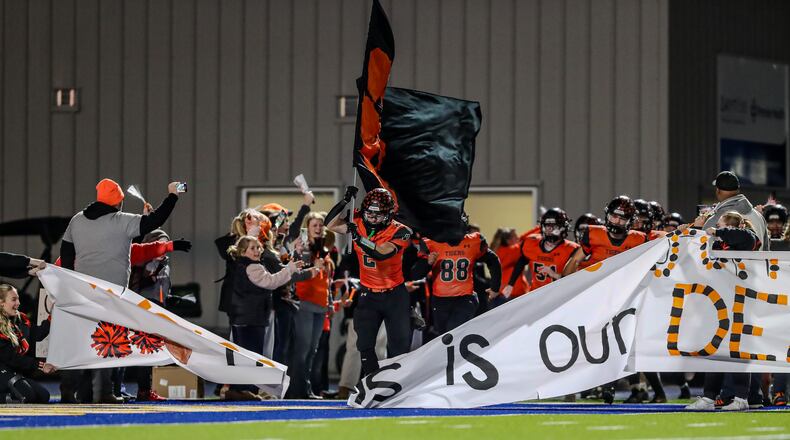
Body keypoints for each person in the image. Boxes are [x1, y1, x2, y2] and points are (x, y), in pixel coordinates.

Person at [59, 178, 181, 404]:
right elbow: (155, 221)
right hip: (110, 293)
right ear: (118, 203)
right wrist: (172, 195)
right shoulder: (121, 220)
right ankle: (103, 393)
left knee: (79, 342)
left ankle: (69, 392)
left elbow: (66, 253)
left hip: (81, 291)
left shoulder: (77, 220)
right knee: (106, 341)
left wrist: (69, 282)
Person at [326, 187, 413, 376]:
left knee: (399, 346)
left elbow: (381, 253)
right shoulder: (358, 221)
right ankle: (372, 381)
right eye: (369, 213)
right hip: (368, 294)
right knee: (364, 343)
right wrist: (345, 201)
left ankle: (397, 383)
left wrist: (359, 237)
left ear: (389, 214)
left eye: (378, 214)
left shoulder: (401, 231)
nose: (372, 218)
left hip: (394, 295)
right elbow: (330, 224)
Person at [686, 211, 760, 411]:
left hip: (742, 303)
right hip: (720, 303)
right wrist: (698, 229)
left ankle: (741, 397)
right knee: (716, 349)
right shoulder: (718, 243)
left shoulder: (747, 238)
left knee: (736, 350)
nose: (716, 227)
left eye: (720, 224)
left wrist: (718, 231)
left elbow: (744, 238)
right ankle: (709, 397)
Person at [225, 235, 302, 400]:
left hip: (243, 317)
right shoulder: (253, 267)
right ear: (243, 251)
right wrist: (288, 269)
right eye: (252, 248)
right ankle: (243, 389)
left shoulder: (241, 265)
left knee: (243, 355)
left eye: (258, 247)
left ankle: (239, 388)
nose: (257, 250)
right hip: (250, 318)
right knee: (251, 355)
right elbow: (271, 282)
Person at [413, 222, 501, 334]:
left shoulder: (473, 241)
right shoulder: (431, 243)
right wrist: (427, 263)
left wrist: (495, 287)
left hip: (464, 298)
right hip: (441, 301)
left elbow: (493, 260)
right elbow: (415, 275)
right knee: (444, 337)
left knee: (454, 333)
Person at [288, 212, 335, 399]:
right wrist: (312, 265)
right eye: (314, 225)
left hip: (320, 303)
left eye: (320, 225)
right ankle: (295, 389)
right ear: (307, 227)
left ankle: (305, 389)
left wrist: (329, 302)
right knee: (303, 348)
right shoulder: (303, 248)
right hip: (305, 301)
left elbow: (327, 280)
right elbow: (296, 272)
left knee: (312, 350)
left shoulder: (324, 250)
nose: (318, 228)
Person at [563, 195, 648, 276]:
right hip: (594, 282)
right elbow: (575, 261)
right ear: (607, 215)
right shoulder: (594, 234)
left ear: (630, 221)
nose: (617, 221)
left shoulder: (639, 239)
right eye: (614, 216)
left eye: (622, 218)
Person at [0, 284, 56, 403]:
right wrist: (39, 365)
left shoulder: (19, 320)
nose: (18, 303)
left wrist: (53, 315)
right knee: (27, 397)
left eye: (18, 298)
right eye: (14, 299)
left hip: (12, 371)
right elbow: (11, 358)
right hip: (2, 370)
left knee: (43, 396)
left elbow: (37, 334)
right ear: (1, 303)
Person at [701, 171, 769, 250]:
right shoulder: (759, 216)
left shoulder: (715, 220)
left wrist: (697, 227)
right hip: (757, 262)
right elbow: (766, 250)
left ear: (718, 190)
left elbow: (699, 252)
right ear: (738, 189)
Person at [490, 228, 527, 306]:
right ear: (508, 240)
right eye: (515, 237)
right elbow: (525, 242)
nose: (518, 239)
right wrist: (538, 228)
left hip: (501, 293)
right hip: (512, 294)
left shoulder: (496, 251)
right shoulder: (512, 251)